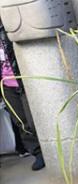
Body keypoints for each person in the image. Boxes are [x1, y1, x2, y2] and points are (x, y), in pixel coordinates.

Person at [0, 21, 45, 170]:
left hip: (22, 77)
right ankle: (37, 153)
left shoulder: (8, 26)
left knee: (34, 118)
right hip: (5, 84)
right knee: (20, 120)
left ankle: (48, 148)